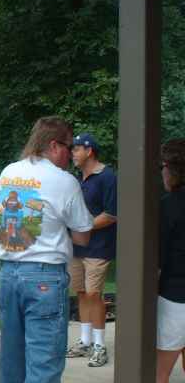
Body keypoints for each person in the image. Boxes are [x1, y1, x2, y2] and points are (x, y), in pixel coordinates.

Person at [0, 116, 93, 383]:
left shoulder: (8, 172)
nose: (71, 153)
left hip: (8, 273)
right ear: (53, 145)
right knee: (44, 363)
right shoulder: (65, 181)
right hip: (44, 278)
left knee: (11, 355)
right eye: (68, 145)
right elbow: (83, 235)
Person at [65, 133, 117, 367]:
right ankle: (85, 341)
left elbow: (111, 214)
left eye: (76, 149)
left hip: (99, 247)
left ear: (89, 151)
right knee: (81, 293)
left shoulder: (108, 177)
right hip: (77, 246)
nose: (72, 153)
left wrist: (82, 227)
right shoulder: (77, 178)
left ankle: (99, 346)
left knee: (94, 294)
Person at [151, 139, 185, 383]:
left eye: (162, 166)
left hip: (175, 299)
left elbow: (156, 261)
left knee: (160, 373)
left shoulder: (168, 205)